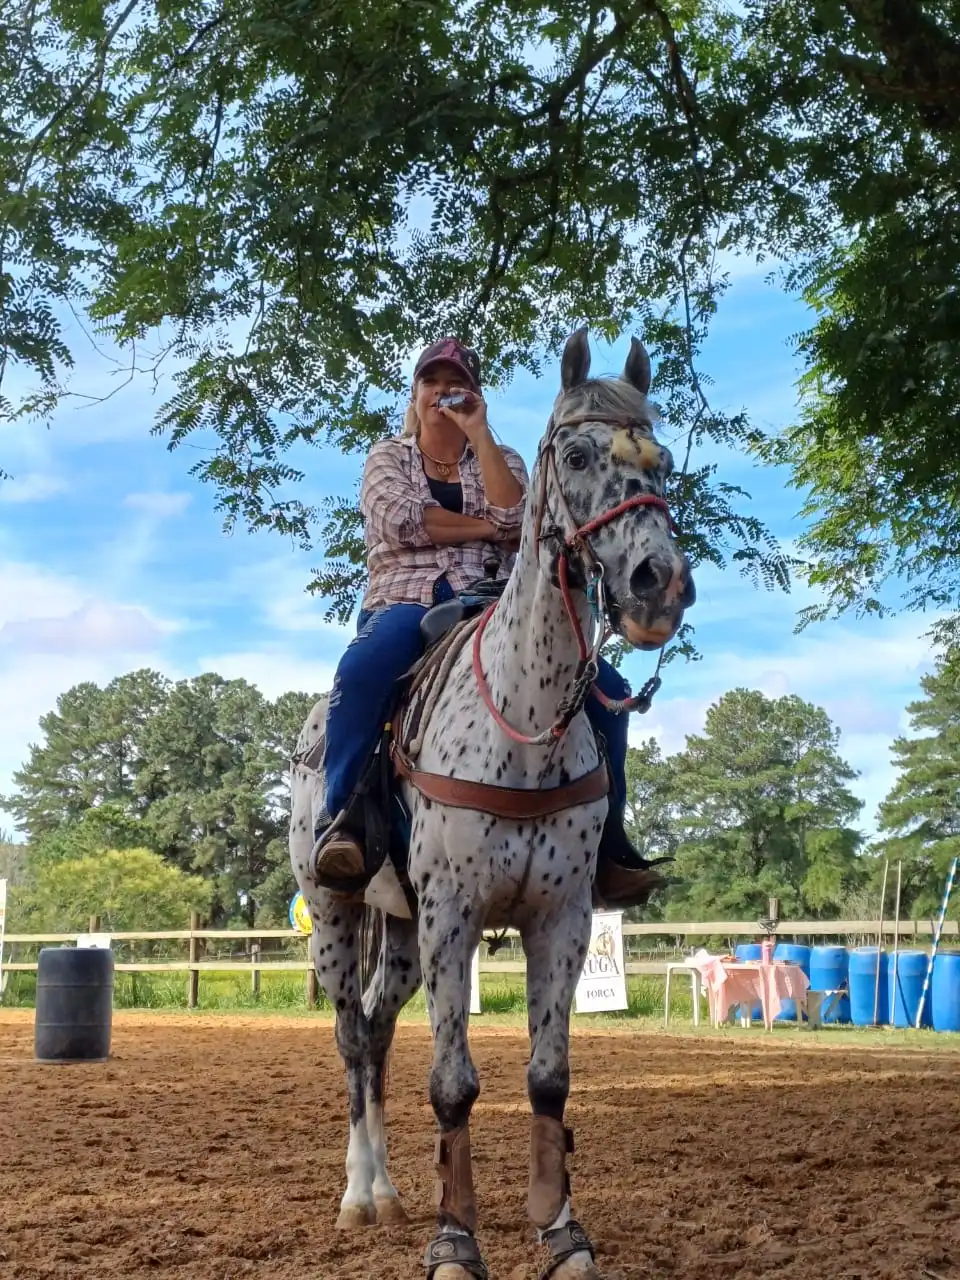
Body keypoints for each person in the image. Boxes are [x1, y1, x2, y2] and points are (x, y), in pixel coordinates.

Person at [312, 337, 668, 908]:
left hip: (494, 604)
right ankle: (345, 817)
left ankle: (610, 846)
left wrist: (480, 438)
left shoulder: (505, 461)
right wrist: (488, 528)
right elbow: (405, 523)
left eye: (457, 385)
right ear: (416, 392)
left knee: (610, 689)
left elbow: (516, 514)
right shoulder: (387, 457)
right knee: (363, 670)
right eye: (432, 381)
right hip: (407, 601)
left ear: (475, 396)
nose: (442, 393)